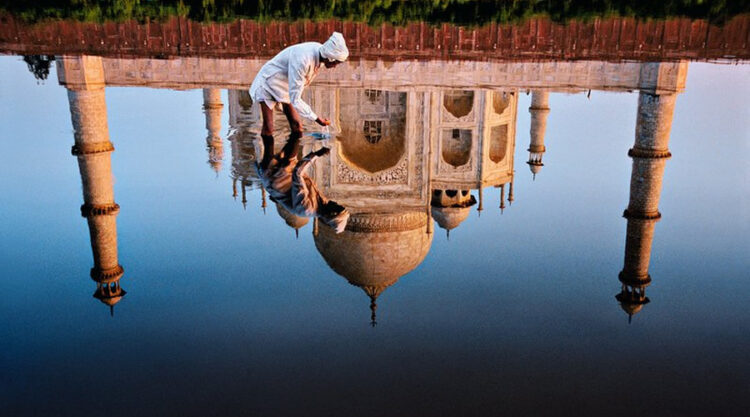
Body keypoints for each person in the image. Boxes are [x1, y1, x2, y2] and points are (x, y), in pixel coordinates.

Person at [249, 32, 349, 168]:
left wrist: (314, 156)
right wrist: (316, 118)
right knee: (269, 129)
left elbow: (296, 91)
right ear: (330, 58)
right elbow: (296, 99)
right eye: (336, 62)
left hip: (284, 87)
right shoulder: (303, 60)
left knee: (297, 126)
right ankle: (267, 164)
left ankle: (288, 161)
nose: (335, 66)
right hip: (268, 83)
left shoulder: (319, 51)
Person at [257, 135, 350, 234]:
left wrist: (316, 154)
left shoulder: (307, 208)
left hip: (275, 178)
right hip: (286, 174)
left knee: (272, 139)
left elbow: (298, 173)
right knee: (295, 135)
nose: (336, 203)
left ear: (332, 213)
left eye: (338, 207)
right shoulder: (323, 204)